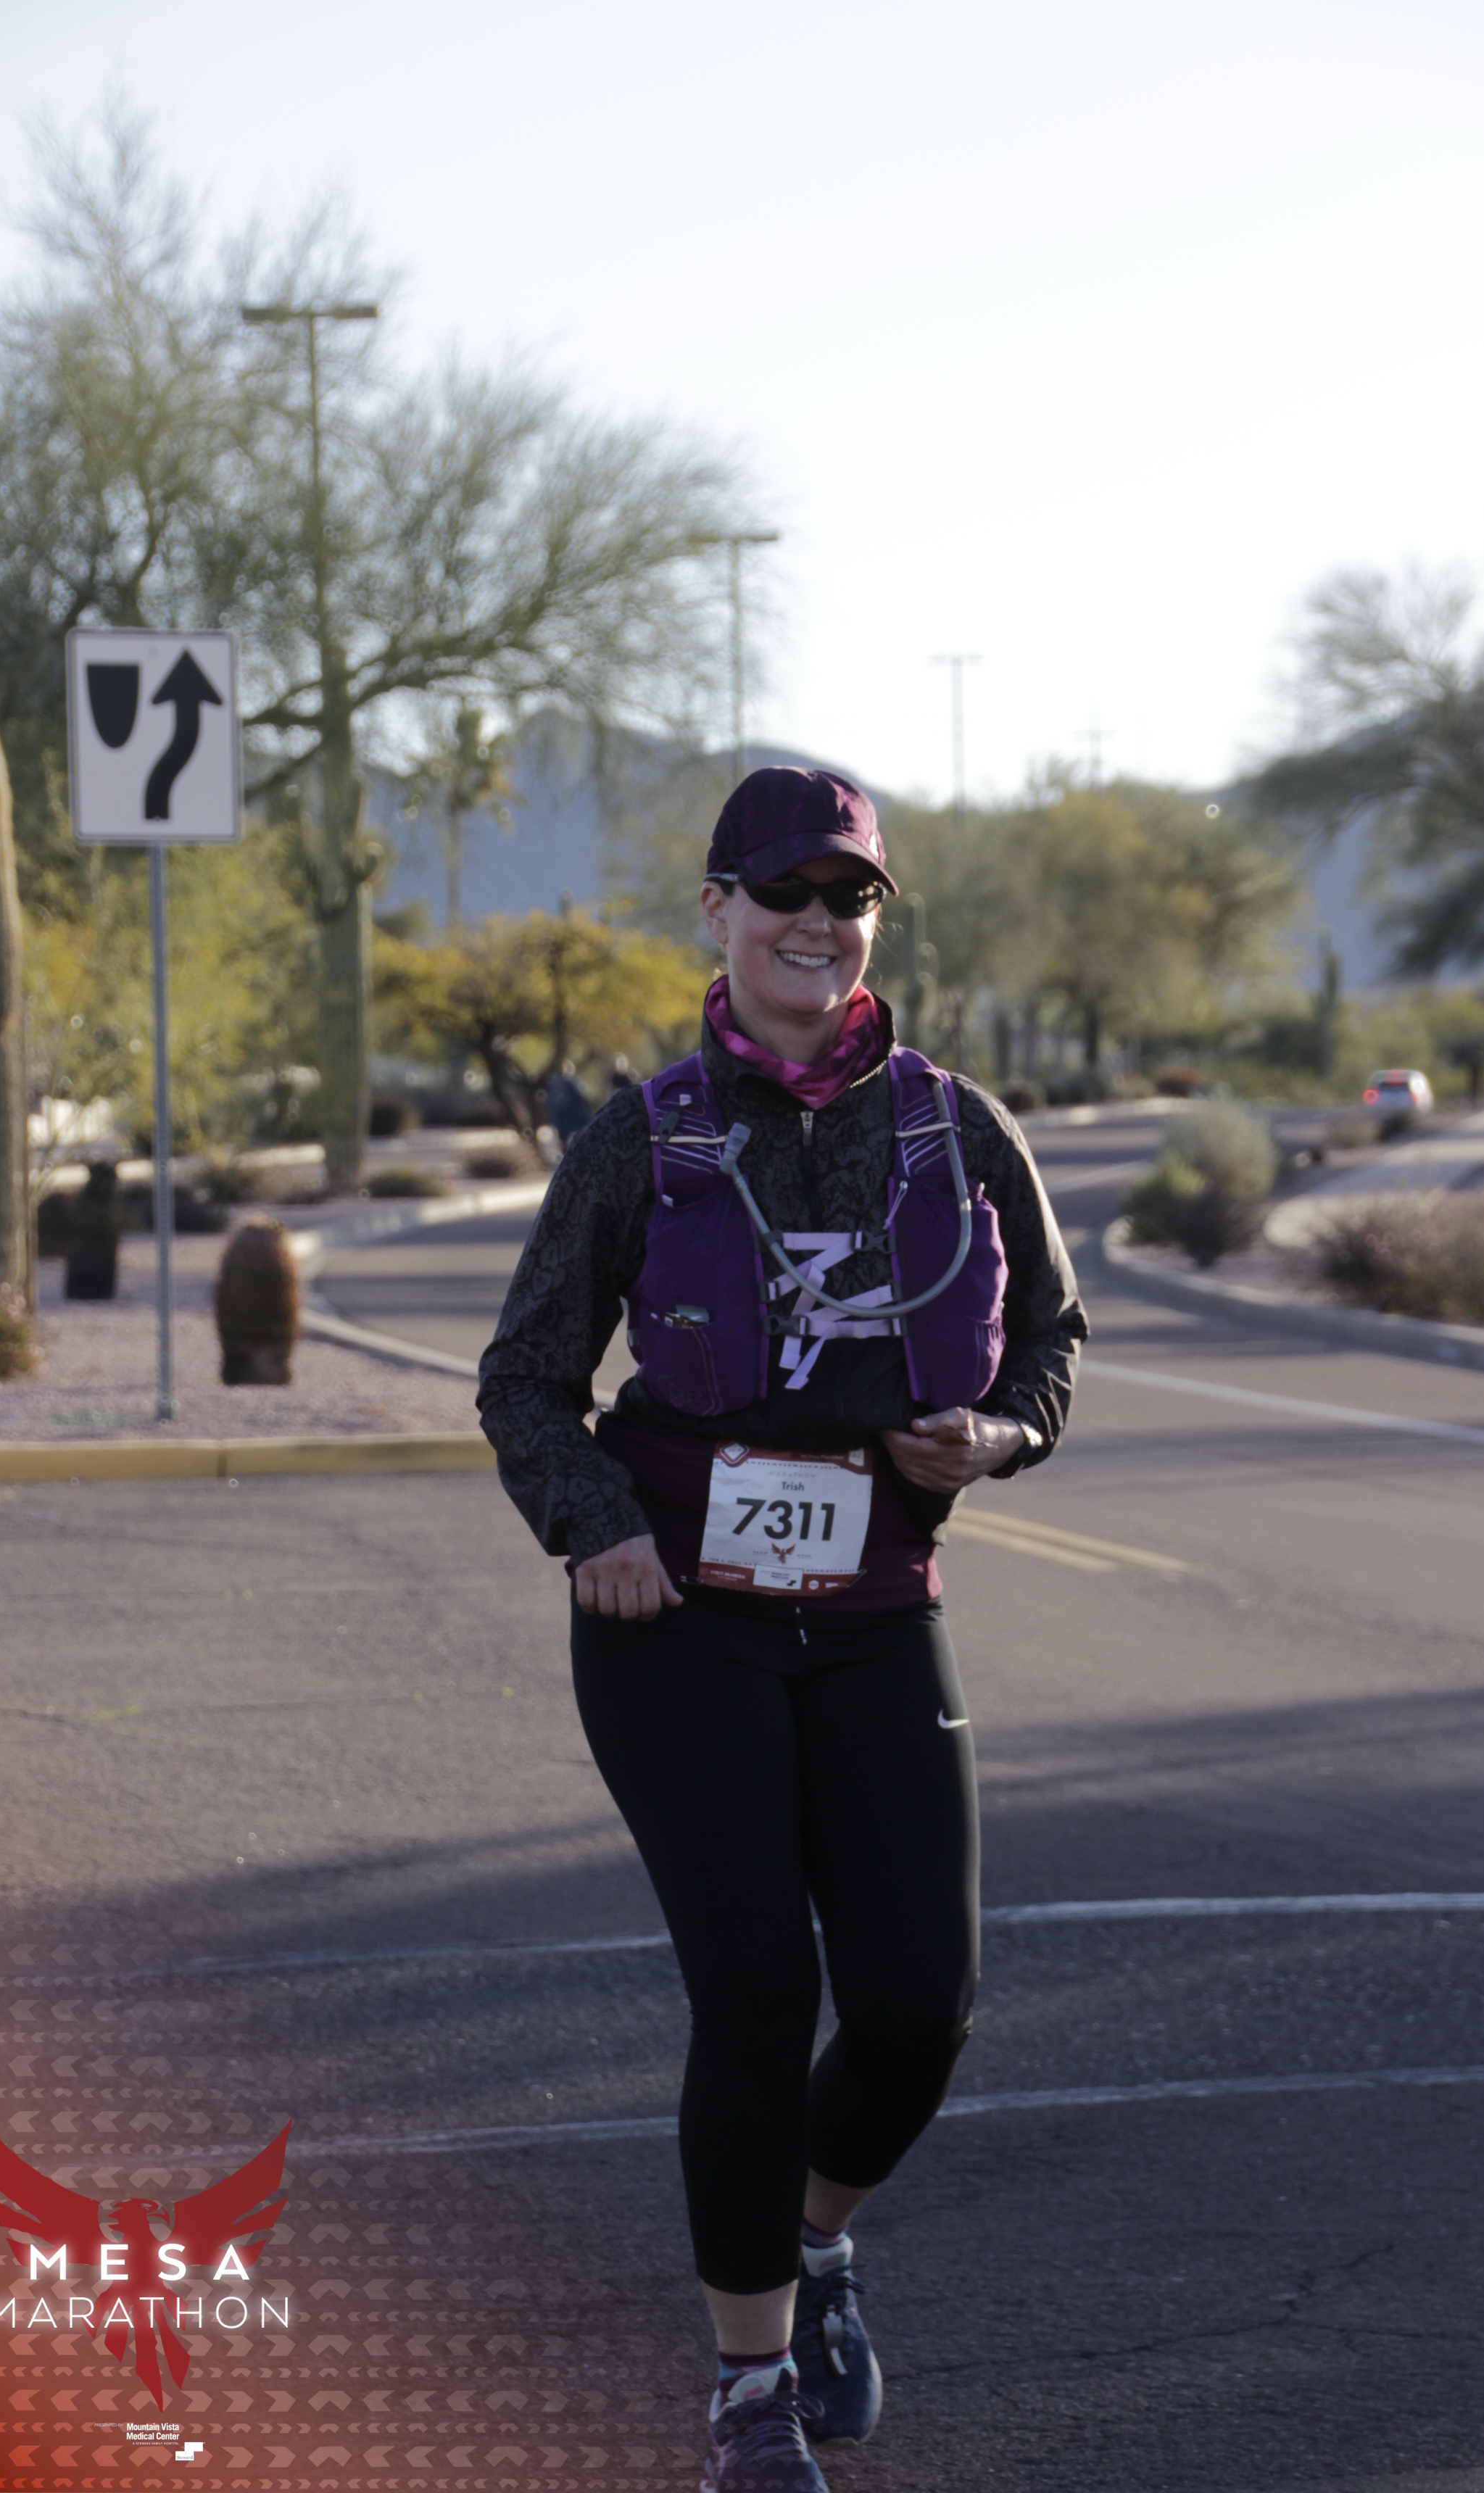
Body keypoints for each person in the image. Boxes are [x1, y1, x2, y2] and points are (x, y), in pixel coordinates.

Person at [478, 766, 1087, 2492]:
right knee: (756, 1990)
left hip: (879, 1605)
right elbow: (525, 1377)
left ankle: (815, 2241)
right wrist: (596, 1526)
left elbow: (1052, 1340)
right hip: (680, 1616)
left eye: (850, 897)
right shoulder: (645, 1136)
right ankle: (749, 2397)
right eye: (785, 892)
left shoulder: (958, 1127)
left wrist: (998, 1436)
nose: (818, 923)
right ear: (720, 911)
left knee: (914, 2006)